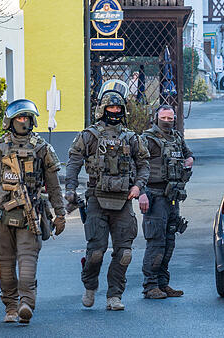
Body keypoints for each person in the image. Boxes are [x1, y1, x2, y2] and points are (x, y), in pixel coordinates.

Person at [0, 99, 66, 325]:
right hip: (2, 216)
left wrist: (60, 213)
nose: (24, 121)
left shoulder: (42, 149)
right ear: (10, 121)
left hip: (30, 217)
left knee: (28, 266)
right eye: (20, 117)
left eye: (27, 118)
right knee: (6, 267)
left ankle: (26, 304)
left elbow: (54, 184)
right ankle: (10, 307)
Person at [66, 80, 150, 311]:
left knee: (124, 253)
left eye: (118, 108)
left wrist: (138, 187)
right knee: (96, 253)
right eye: (111, 108)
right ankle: (90, 286)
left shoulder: (132, 138)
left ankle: (114, 296)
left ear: (123, 110)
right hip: (96, 198)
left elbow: (143, 164)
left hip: (124, 200)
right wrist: (70, 189)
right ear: (102, 110)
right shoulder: (89, 135)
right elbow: (73, 163)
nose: (115, 112)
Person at [139, 105, 194, 299]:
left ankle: (163, 283)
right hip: (155, 196)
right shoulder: (147, 139)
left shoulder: (177, 137)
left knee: (170, 241)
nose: (167, 121)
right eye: (163, 117)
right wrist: (142, 193)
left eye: (170, 118)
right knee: (156, 242)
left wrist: (189, 160)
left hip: (172, 197)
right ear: (156, 118)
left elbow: (189, 154)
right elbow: (137, 167)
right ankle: (150, 286)